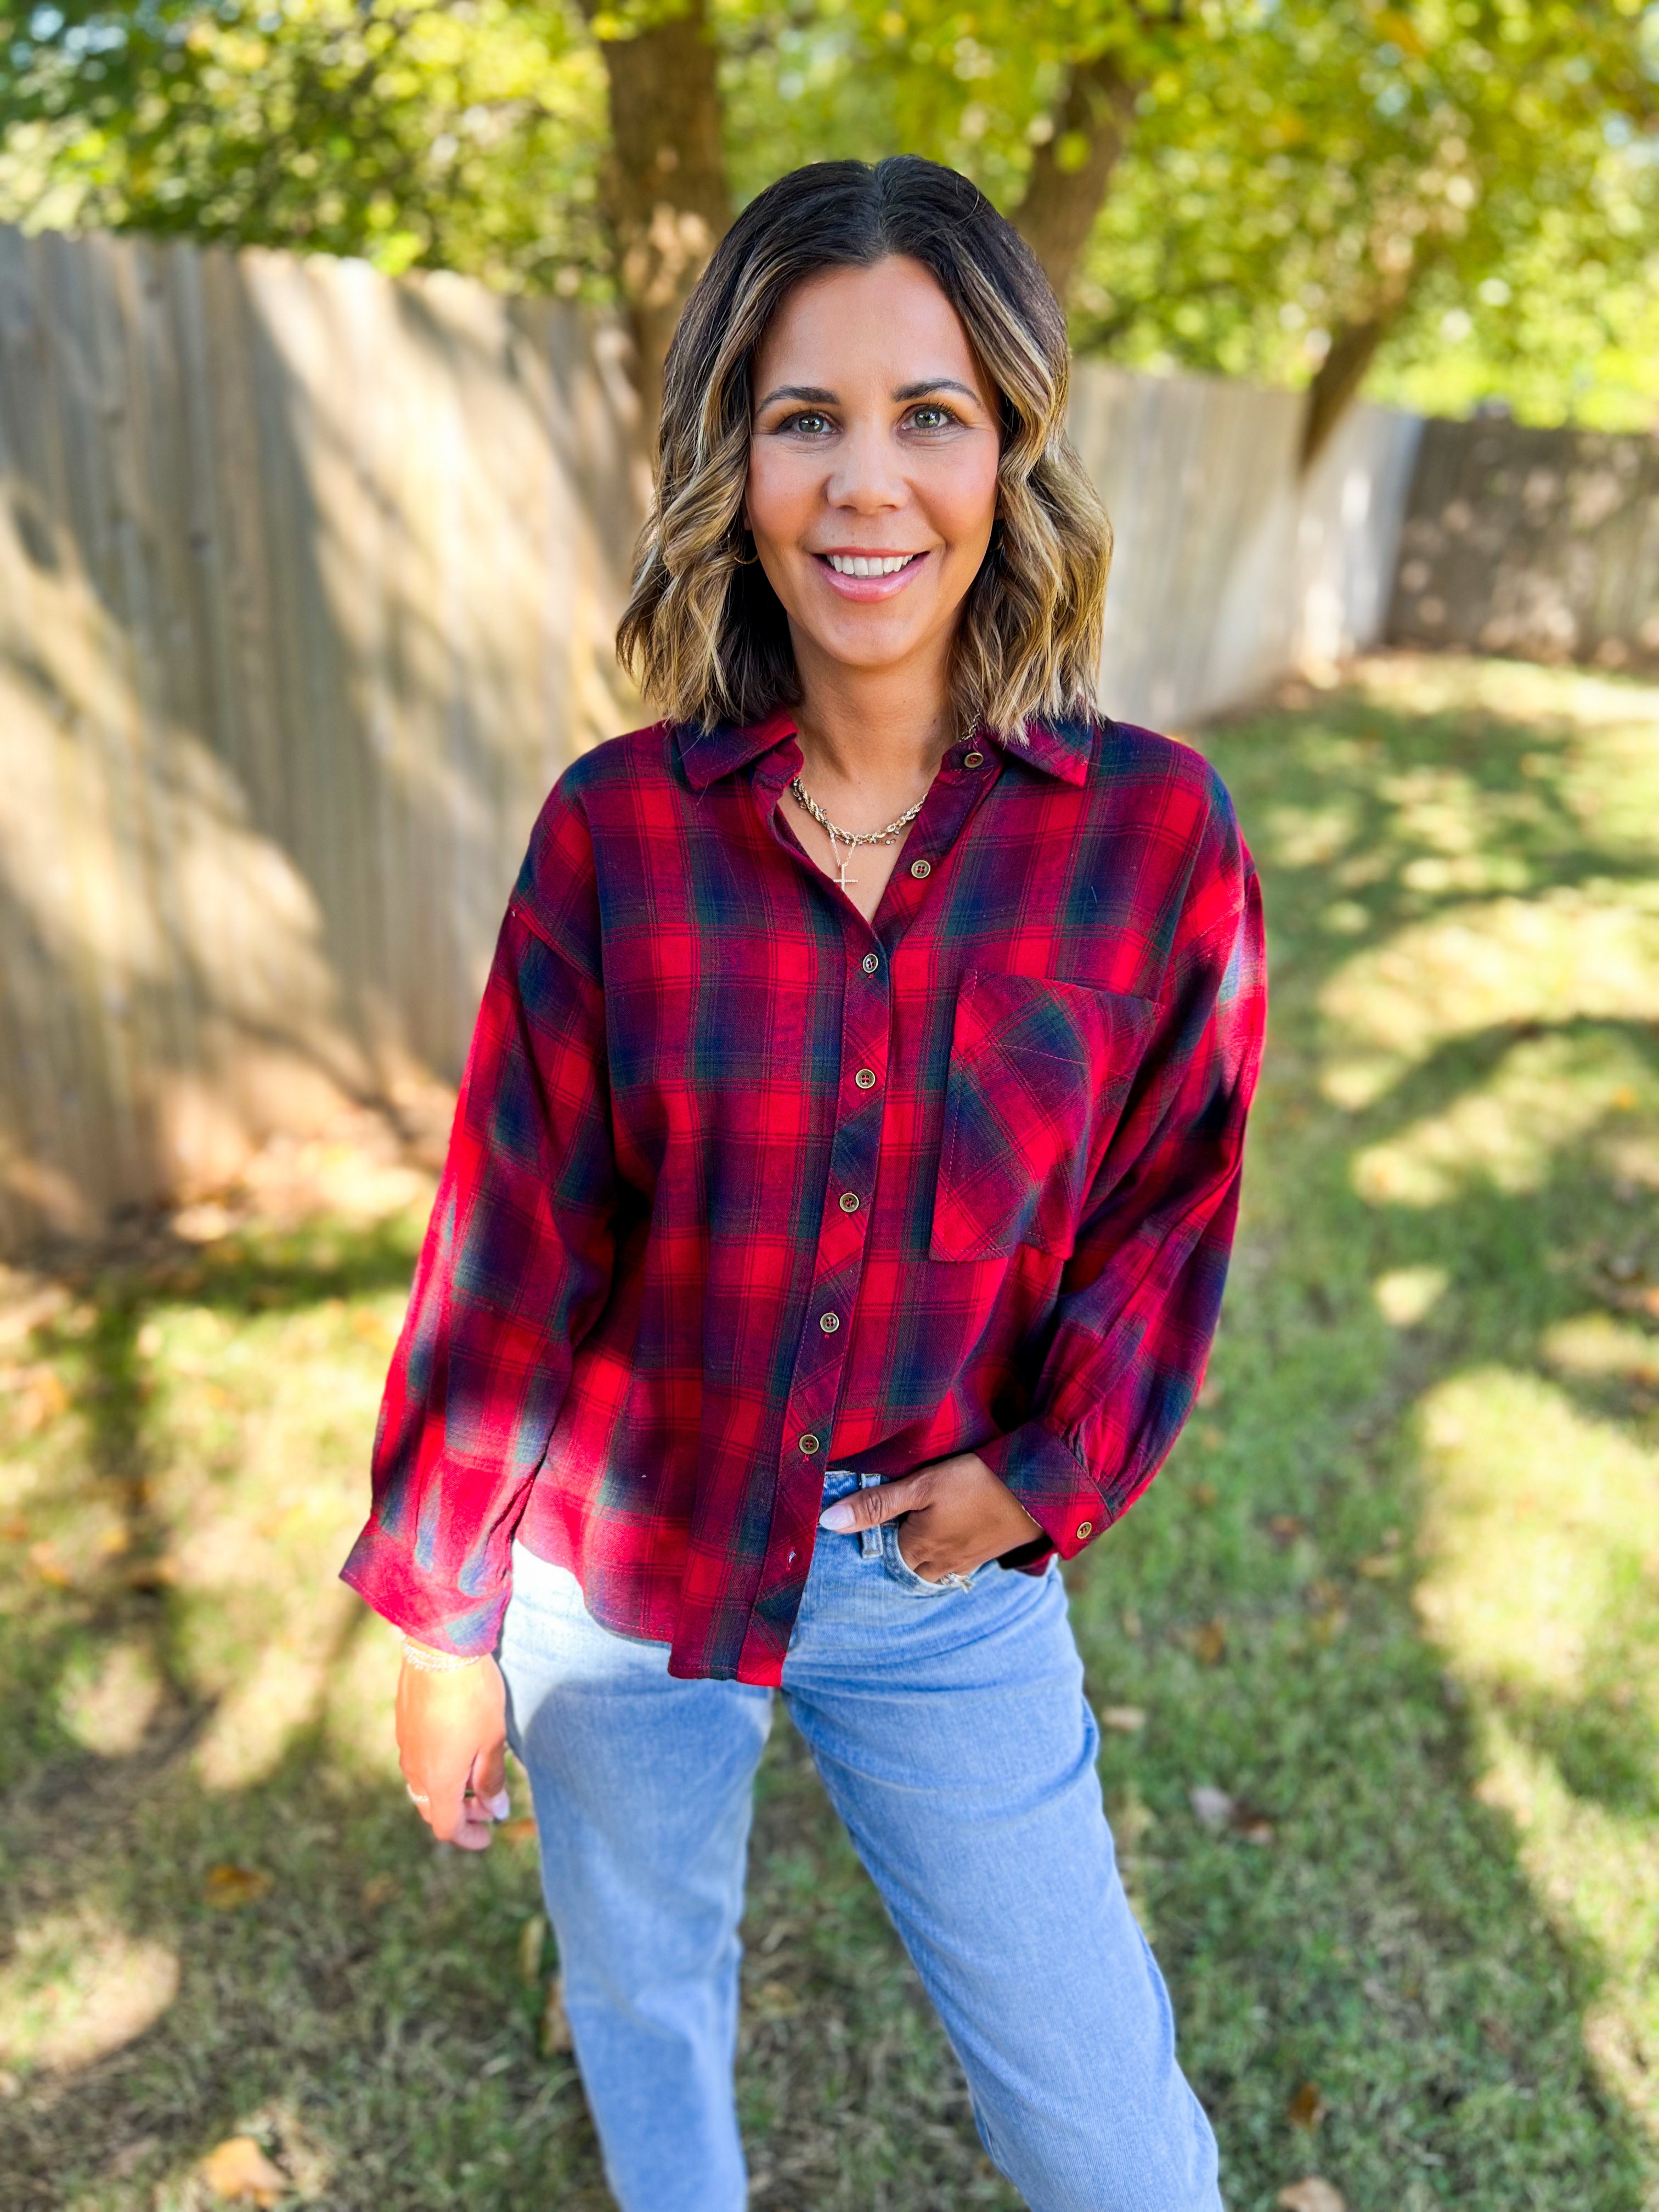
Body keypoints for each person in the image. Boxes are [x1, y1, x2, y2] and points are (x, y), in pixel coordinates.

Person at [342, 155, 1264, 2212]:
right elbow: (512, 1242)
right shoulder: (618, 837)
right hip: (626, 1576)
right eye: (805, 419)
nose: (869, 486)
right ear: (732, 464)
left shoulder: (1153, 839)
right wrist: (444, 1611)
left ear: (1010, 449)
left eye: (930, 415)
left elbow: (1174, 1195)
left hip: (942, 1588)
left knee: (1110, 2132)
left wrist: (1054, 1467)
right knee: (649, 2002)